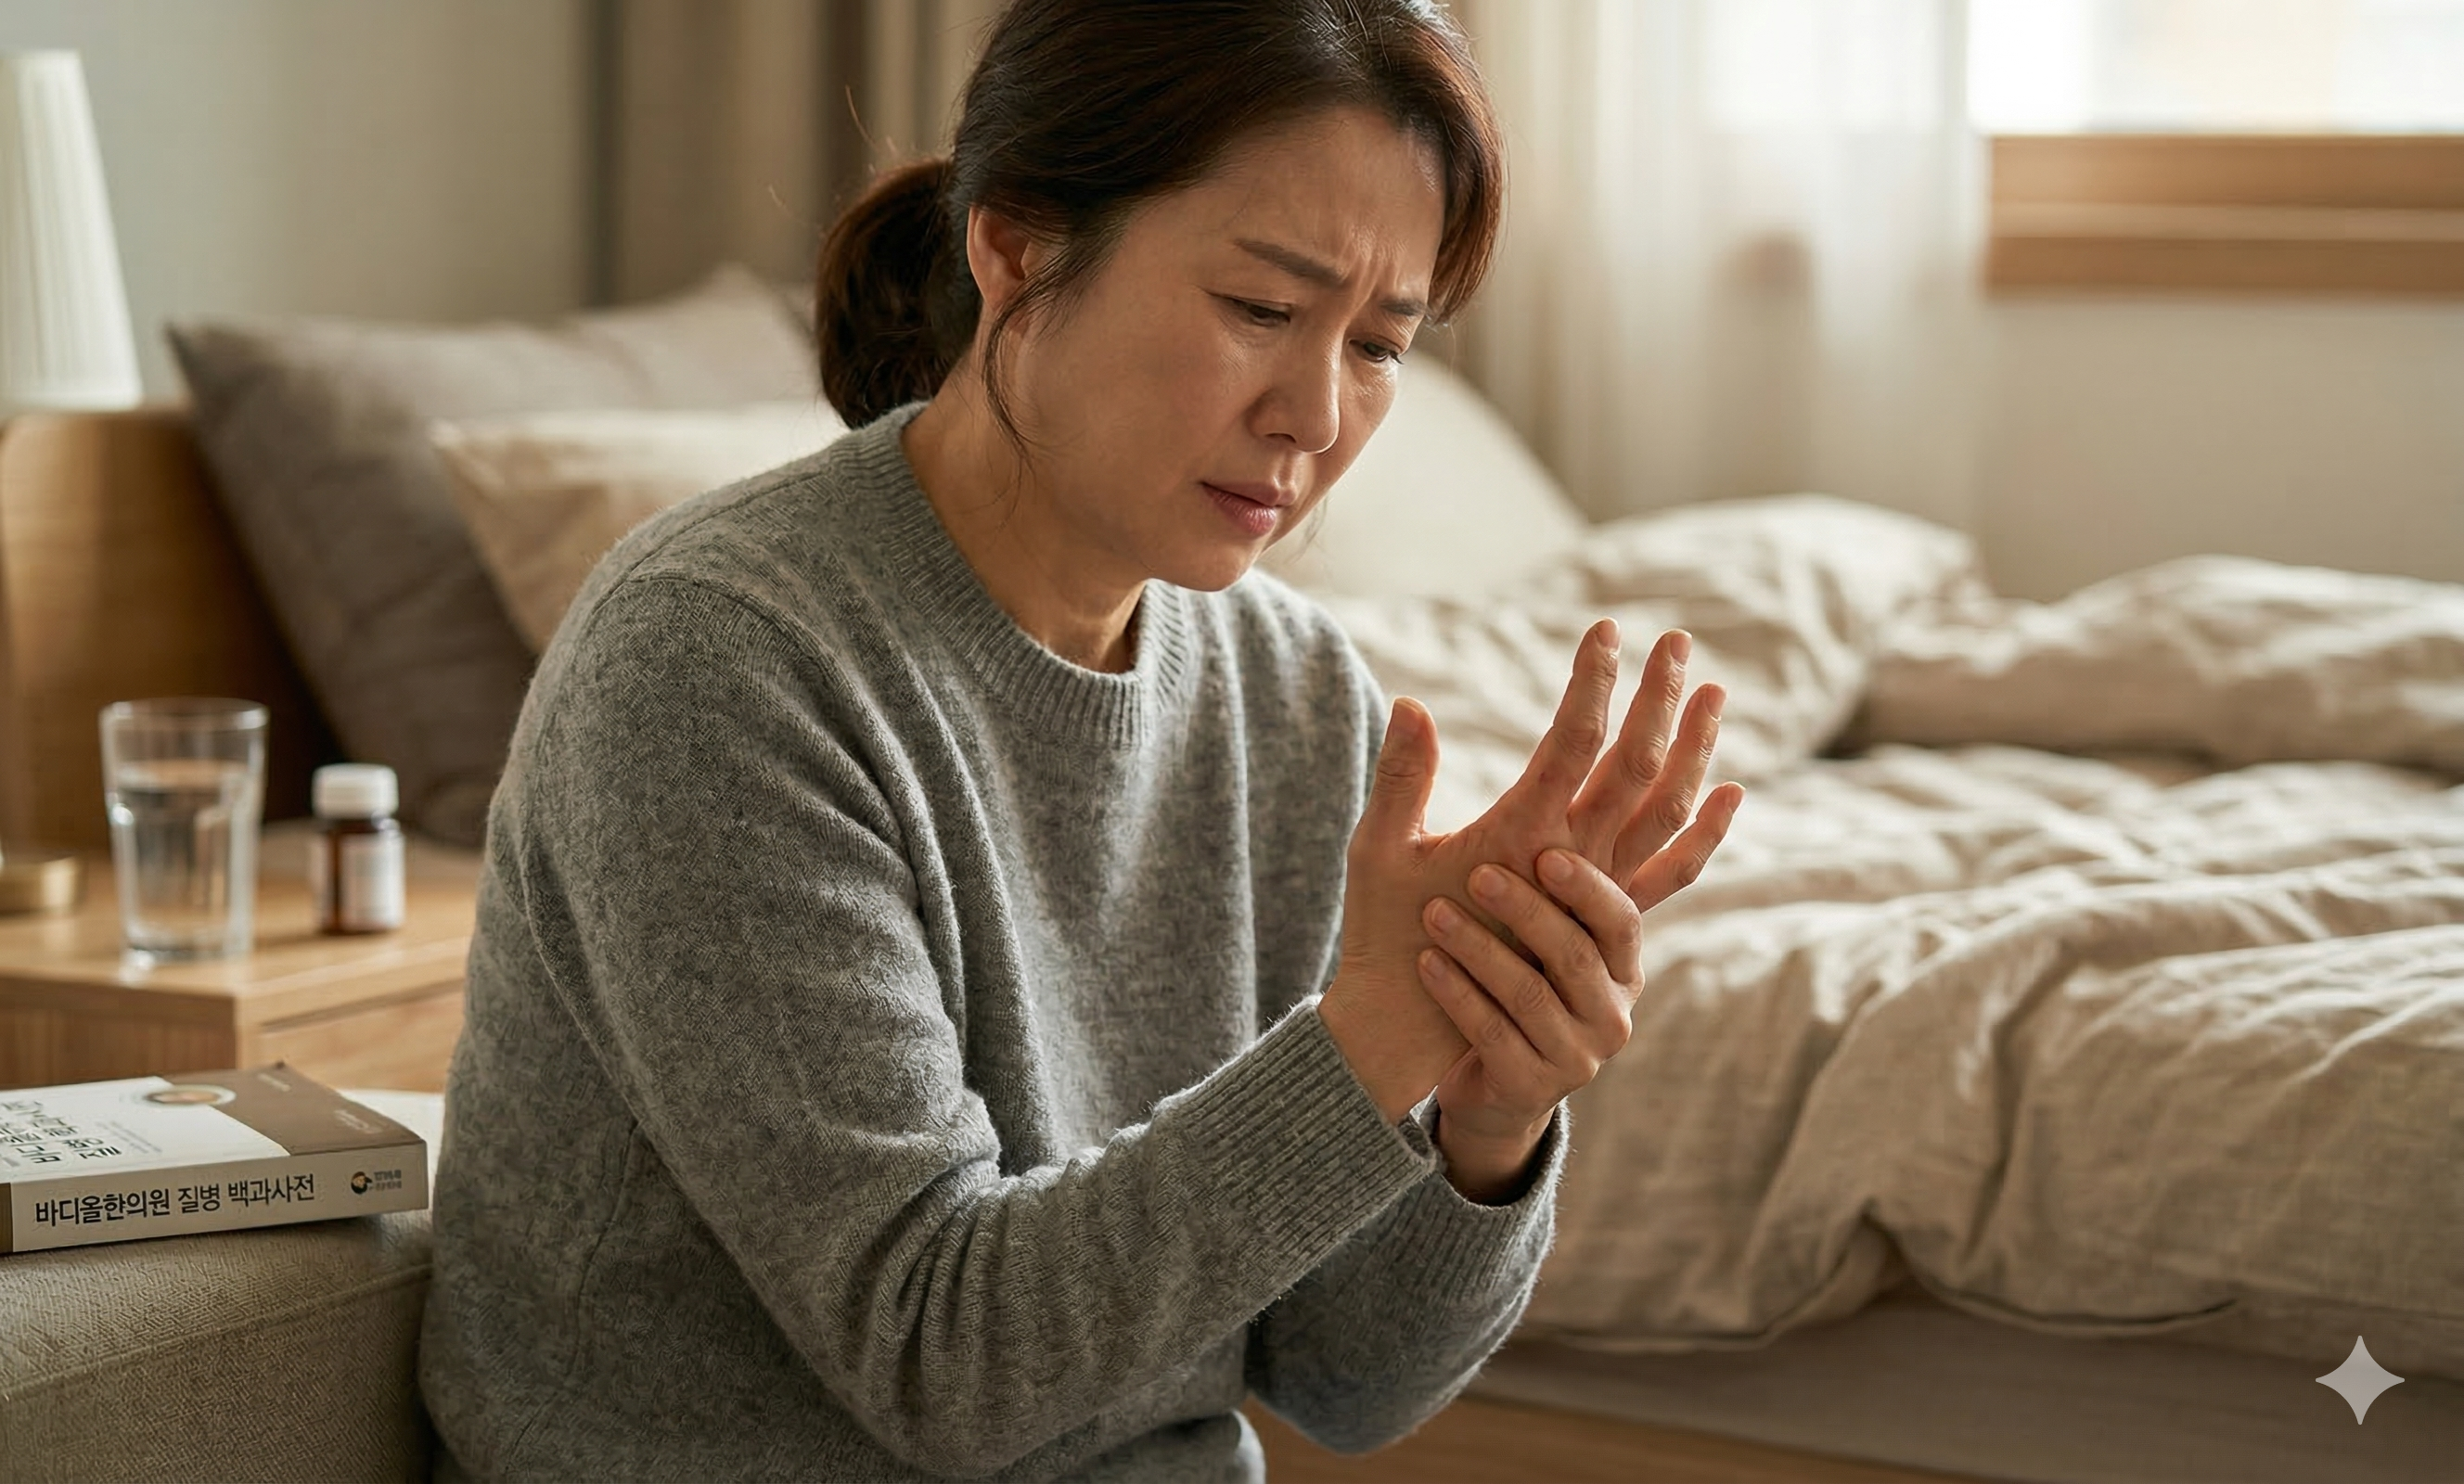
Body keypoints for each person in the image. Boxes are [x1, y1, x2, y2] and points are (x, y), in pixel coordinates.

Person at [417, 0, 1744, 1478]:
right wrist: (1371, 1035)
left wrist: (1488, 1121)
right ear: (1019, 248)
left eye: (1379, 344)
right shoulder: (719, 661)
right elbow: (941, 1358)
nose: (1314, 413)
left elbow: (1342, 1386)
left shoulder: (1294, 692)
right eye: (1260, 309)